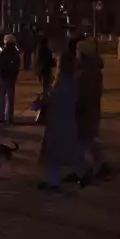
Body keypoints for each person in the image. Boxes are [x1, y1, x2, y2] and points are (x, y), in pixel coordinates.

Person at [39, 52, 81, 190]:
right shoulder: (74, 80)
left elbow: (53, 100)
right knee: (68, 150)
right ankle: (80, 173)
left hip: (57, 121)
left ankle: (53, 182)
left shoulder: (60, 82)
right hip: (69, 120)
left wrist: (42, 101)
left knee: (53, 154)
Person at [76, 39, 110, 182]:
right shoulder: (93, 70)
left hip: (86, 109)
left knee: (86, 140)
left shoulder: (86, 73)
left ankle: (96, 165)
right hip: (91, 109)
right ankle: (96, 165)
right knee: (89, 139)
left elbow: (83, 93)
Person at [0, 35, 21, 123]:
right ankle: (9, 117)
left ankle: (1, 116)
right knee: (10, 98)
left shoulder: (3, 52)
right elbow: (17, 66)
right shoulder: (15, 53)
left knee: (0, 97)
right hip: (10, 77)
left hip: (2, 77)